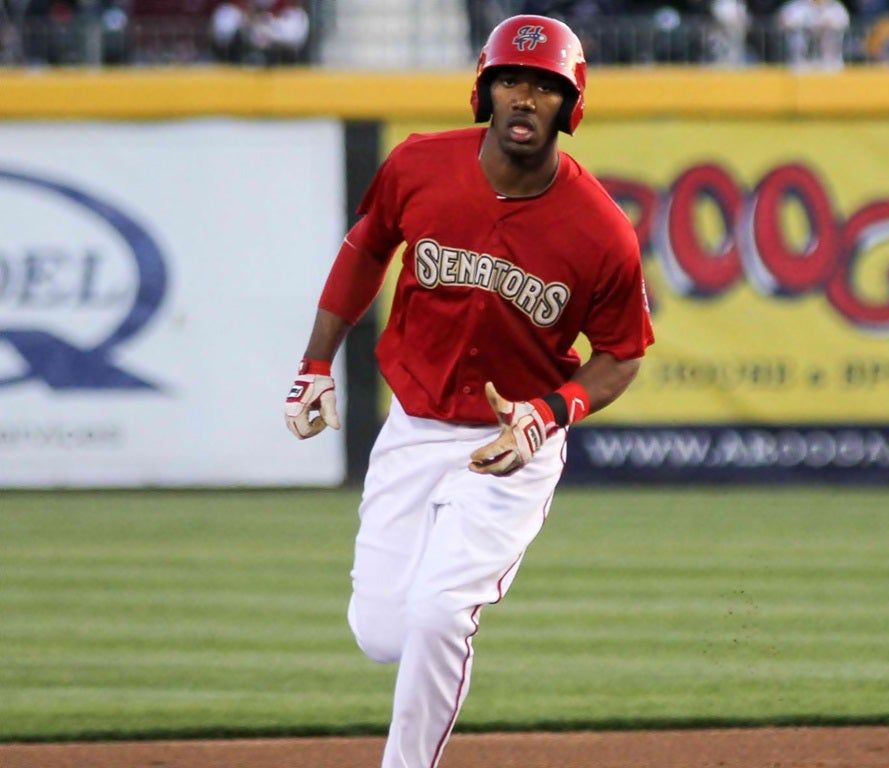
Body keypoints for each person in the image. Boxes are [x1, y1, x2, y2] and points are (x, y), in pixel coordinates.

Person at [284, 14, 653, 768]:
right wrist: (316, 361)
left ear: (570, 104)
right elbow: (365, 249)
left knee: (438, 613)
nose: (525, 98)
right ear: (484, 91)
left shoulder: (601, 230)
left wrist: (550, 413)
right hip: (415, 425)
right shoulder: (419, 165)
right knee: (381, 631)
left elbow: (621, 354)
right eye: (510, 80)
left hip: (512, 443)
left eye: (544, 86)